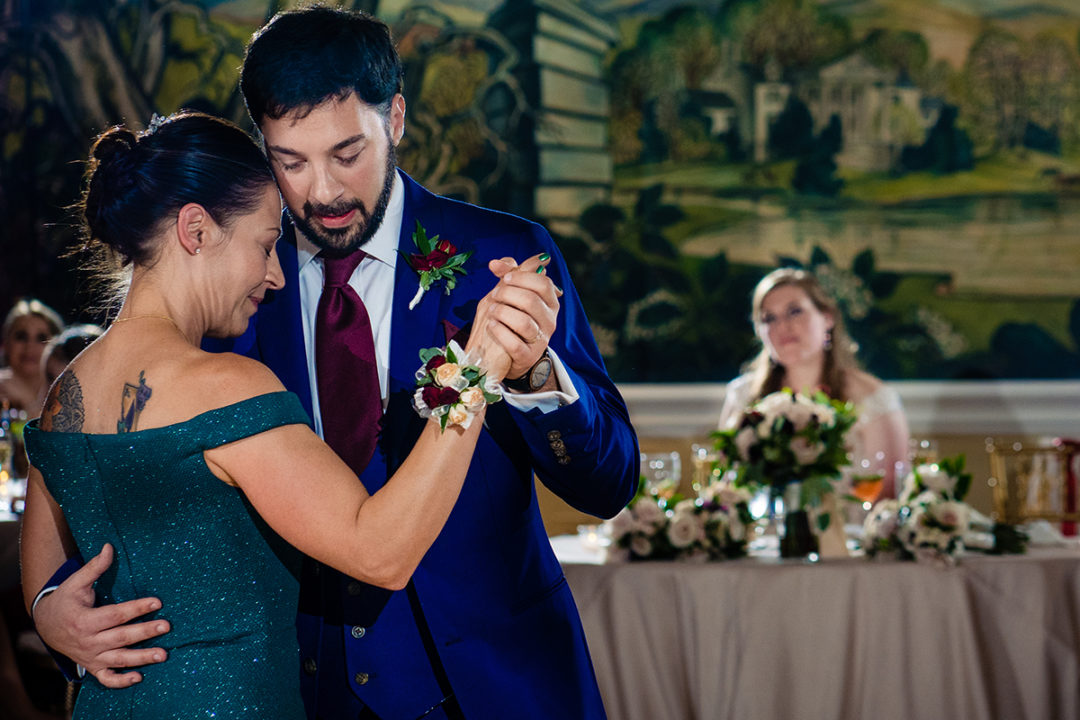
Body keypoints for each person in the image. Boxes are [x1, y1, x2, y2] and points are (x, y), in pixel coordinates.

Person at [34, 8, 639, 720]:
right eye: (290, 161)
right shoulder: (230, 281)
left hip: (497, 683)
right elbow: (139, 490)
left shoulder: (498, 255)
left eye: (347, 153)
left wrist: (538, 378)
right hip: (303, 688)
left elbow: (609, 484)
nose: (320, 191)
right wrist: (52, 609)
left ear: (398, 120)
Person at [21, 111, 517, 718]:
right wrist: (480, 371)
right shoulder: (225, 387)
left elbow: (42, 573)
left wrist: (50, 612)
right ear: (196, 230)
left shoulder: (62, 395)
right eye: (264, 244)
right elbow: (380, 551)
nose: (277, 274)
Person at [718, 267, 910, 498]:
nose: (782, 327)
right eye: (769, 318)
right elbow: (726, 487)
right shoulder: (743, 395)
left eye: (794, 312)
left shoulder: (873, 398)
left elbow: (888, 499)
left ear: (827, 318)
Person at [0, 299, 63, 413]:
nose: (30, 346)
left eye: (41, 338)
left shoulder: (69, 397)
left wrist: (29, 403)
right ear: (6, 344)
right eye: (21, 336)